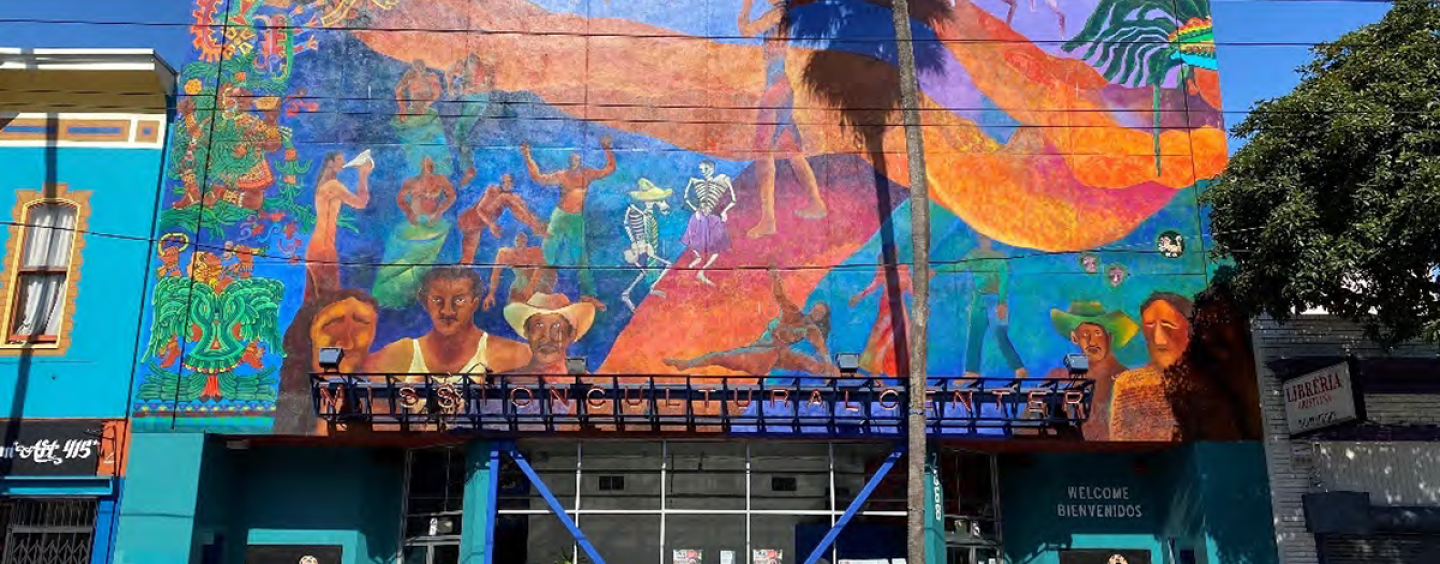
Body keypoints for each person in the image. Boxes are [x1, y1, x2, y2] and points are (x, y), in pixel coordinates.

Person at [738, 0, 827, 238]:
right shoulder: (783, 13)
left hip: (776, 90)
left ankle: (768, 220)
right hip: (781, 86)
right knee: (792, 151)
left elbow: (745, 31)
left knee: (762, 152)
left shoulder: (776, 13)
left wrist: (746, 6)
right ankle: (816, 203)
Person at [664, 267, 836, 376]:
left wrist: (828, 364)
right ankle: (686, 364)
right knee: (720, 357)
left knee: (811, 365)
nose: (816, 313)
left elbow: (822, 349)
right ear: (812, 308)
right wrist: (775, 278)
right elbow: (779, 296)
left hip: (778, 354)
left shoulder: (812, 330)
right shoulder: (793, 313)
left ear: (822, 318)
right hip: (763, 350)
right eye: (816, 309)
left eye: (820, 313)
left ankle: (832, 380)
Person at [367, 267, 531, 376]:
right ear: (424, 301)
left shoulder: (512, 354)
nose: (447, 311)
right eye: (438, 300)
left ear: (474, 303)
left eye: (459, 300)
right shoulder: (399, 355)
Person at [520, 136, 616, 310]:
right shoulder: (562, 175)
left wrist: (607, 148)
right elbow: (538, 177)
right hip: (559, 217)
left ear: (580, 160)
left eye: (577, 157)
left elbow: (609, 168)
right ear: (568, 161)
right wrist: (527, 156)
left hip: (576, 220)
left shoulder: (588, 174)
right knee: (546, 252)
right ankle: (532, 291)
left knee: (581, 257)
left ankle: (588, 295)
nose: (574, 160)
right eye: (571, 158)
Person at [275, 289, 380, 434]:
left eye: (361, 323)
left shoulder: (376, 398)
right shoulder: (291, 401)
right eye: (333, 323)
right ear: (310, 334)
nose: (346, 343)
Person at [372, 157, 469, 308]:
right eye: (424, 164)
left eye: (429, 164)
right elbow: (400, 199)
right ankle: (392, 298)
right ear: (420, 166)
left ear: (433, 166)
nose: (427, 167)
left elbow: (452, 196)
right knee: (403, 259)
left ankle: (419, 295)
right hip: (414, 224)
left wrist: (439, 212)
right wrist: (409, 213)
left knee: (427, 261)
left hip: (433, 223)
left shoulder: (440, 180)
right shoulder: (411, 182)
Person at [1044, 301, 1137, 441]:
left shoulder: (1126, 380)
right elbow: (1028, 427)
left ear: (1109, 338)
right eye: (1085, 334)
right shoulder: (1058, 377)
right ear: (1074, 338)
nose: (1092, 342)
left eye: (1098, 333)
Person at [1110, 292, 1191, 441]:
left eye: (1168, 326)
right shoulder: (1129, 383)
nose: (1158, 339)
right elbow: (1121, 442)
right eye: (1149, 326)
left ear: (1190, 331)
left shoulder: (1209, 380)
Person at [305, 151, 372, 301]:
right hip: (324, 249)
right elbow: (361, 202)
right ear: (330, 163)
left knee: (313, 302)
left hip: (316, 247)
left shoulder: (324, 184)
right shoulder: (333, 185)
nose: (343, 162)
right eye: (339, 160)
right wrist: (363, 174)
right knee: (330, 301)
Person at [957, 235, 1026, 378]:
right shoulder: (973, 255)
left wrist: (1002, 302)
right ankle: (971, 372)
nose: (984, 241)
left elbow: (1004, 279)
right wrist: (936, 270)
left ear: (991, 240)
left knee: (1000, 335)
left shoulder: (999, 256)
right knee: (974, 335)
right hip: (978, 300)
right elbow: (957, 266)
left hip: (994, 299)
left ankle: (1019, 369)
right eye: (981, 238)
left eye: (986, 238)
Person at [502, 292, 597, 381]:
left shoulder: (585, 384)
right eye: (539, 325)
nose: (547, 337)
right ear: (527, 332)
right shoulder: (507, 381)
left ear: (571, 334)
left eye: (557, 326)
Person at [457, 173, 547, 264]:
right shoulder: (493, 190)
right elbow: (480, 209)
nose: (508, 184)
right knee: (506, 198)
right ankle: (535, 225)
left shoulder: (511, 196)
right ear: (501, 182)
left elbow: (520, 209)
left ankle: (535, 225)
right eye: (505, 182)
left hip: (476, 227)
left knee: (467, 258)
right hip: (468, 220)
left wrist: (532, 219)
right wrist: (491, 224)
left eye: (510, 181)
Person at [848, 264, 919, 379]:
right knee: (882, 339)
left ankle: (897, 374)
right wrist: (859, 296)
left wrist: (923, 304)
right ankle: (874, 375)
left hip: (900, 308)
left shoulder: (905, 271)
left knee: (902, 339)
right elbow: (873, 286)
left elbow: (912, 291)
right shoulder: (884, 270)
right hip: (887, 306)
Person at [681, 160, 737, 285]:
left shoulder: (723, 179)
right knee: (690, 236)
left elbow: (733, 200)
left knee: (719, 245)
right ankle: (698, 257)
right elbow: (685, 197)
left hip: (712, 217)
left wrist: (724, 211)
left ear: (712, 169)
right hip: (699, 214)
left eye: (706, 169)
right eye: (701, 170)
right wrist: (695, 209)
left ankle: (702, 271)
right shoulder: (695, 181)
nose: (703, 172)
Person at [482, 232, 555, 311]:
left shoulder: (535, 251)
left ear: (526, 242)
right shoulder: (504, 253)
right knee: (515, 308)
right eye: (517, 240)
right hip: (520, 285)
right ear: (514, 241)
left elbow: (539, 270)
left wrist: (530, 287)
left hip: (538, 284)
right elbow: (495, 274)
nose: (520, 243)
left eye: (523, 241)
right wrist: (491, 293)